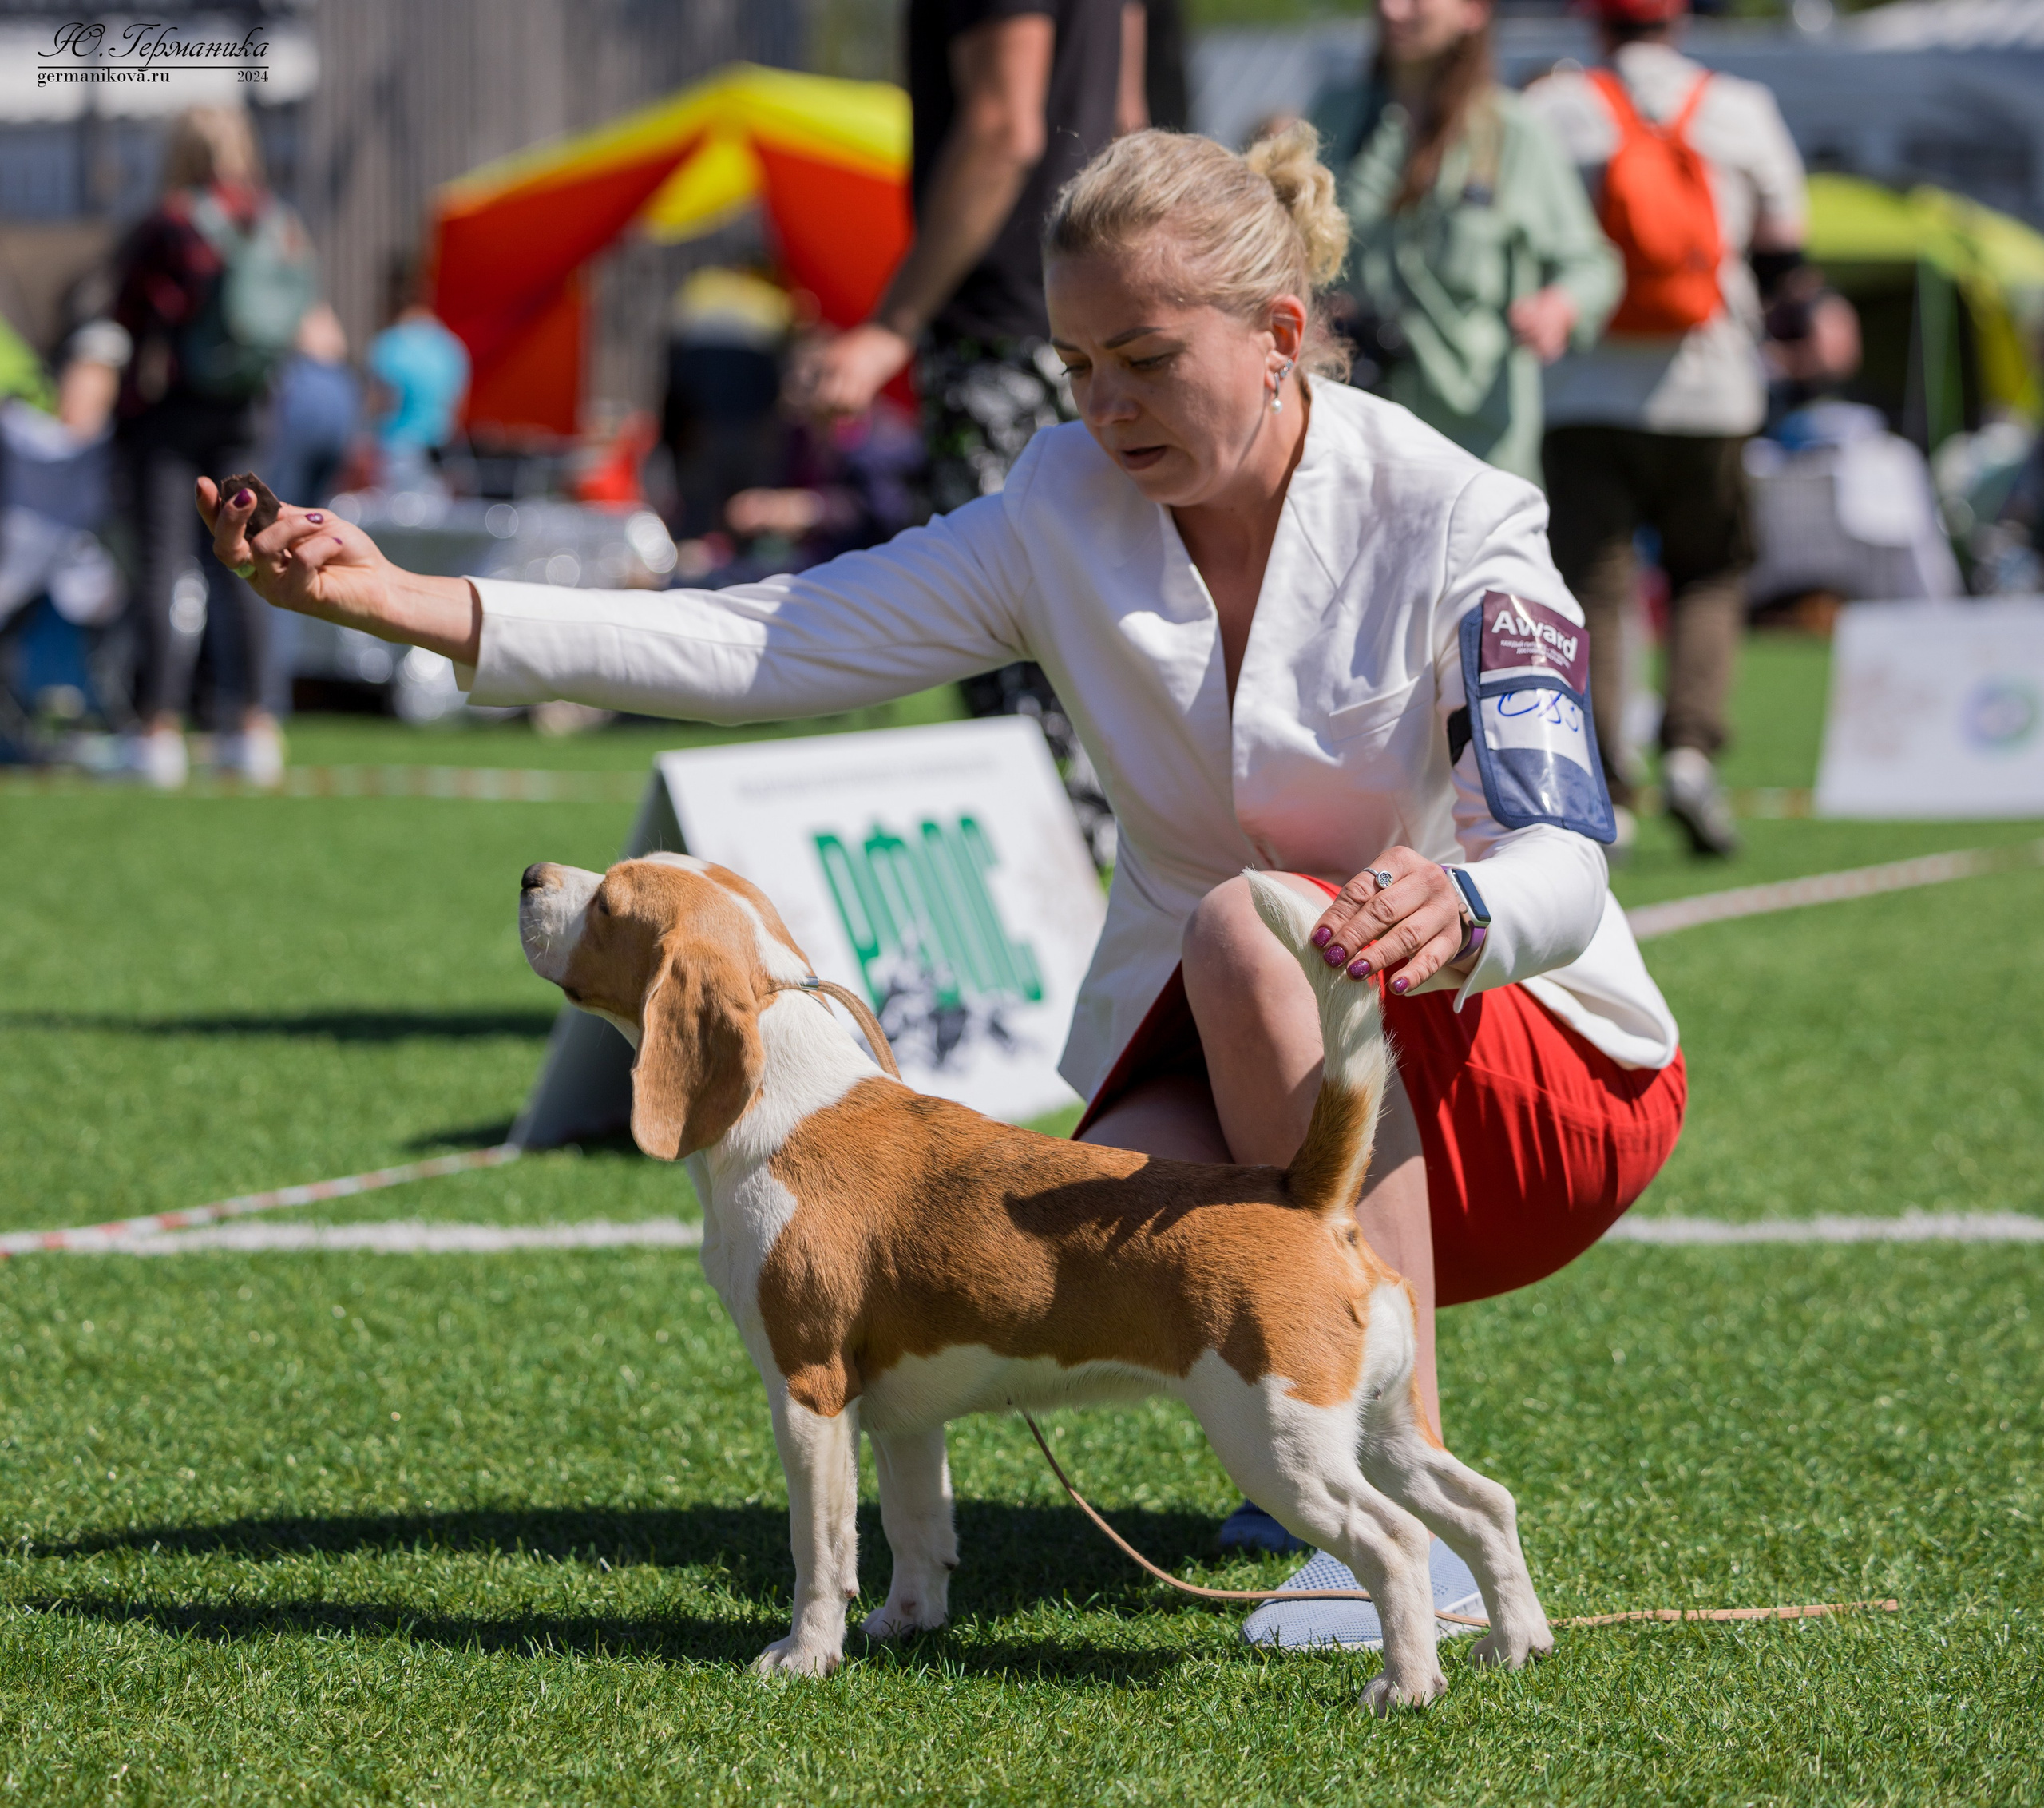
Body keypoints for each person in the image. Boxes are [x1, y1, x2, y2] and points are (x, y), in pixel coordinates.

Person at [200, 123, 1683, 1654]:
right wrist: (417, 604)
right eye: (1075, 366)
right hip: (1254, 1051)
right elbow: (770, 637)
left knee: (1249, 916)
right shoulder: (1059, 503)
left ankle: (1406, 1520)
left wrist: (1473, 910)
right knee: (1047, 1235)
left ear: (1281, 336)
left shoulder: (1462, 514)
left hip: (1533, 1072)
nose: (1104, 409)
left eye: (1147, 360)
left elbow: (1567, 849)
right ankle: (1310, 1443)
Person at [787, 0, 1138, 781]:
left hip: (1002, 336)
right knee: (1085, 619)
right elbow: (1126, 114)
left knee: (1007, 636)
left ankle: (1060, 866)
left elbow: (1002, 130)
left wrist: (892, 324)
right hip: (1084, 318)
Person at [1526, 0, 1840, 856]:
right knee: (1710, 568)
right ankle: (1693, 750)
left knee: (1594, 585)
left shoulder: (1551, 109)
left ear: (1591, 20)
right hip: (1711, 387)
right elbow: (1781, 253)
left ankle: (1611, 785)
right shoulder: (1736, 107)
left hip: (1582, 385)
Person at [1313, 0, 1620, 485]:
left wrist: (1558, 308)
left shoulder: (1513, 133)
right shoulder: (1334, 117)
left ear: (1473, 11)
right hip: (1359, 438)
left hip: (1479, 444)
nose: (1392, 10)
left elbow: (1591, 265)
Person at [112, 102, 315, 789]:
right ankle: (254, 725)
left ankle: (158, 730)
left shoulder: (169, 221)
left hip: (170, 413)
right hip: (249, 414)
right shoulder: (276, 220)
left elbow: (127, 318)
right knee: (254, 561)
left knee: (165, 567)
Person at [366, 257, 469, 496]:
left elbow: (381, 407)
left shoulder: (389, 347)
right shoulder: (451, 348)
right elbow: (457, 409)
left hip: (396, 457)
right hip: (440, 457)